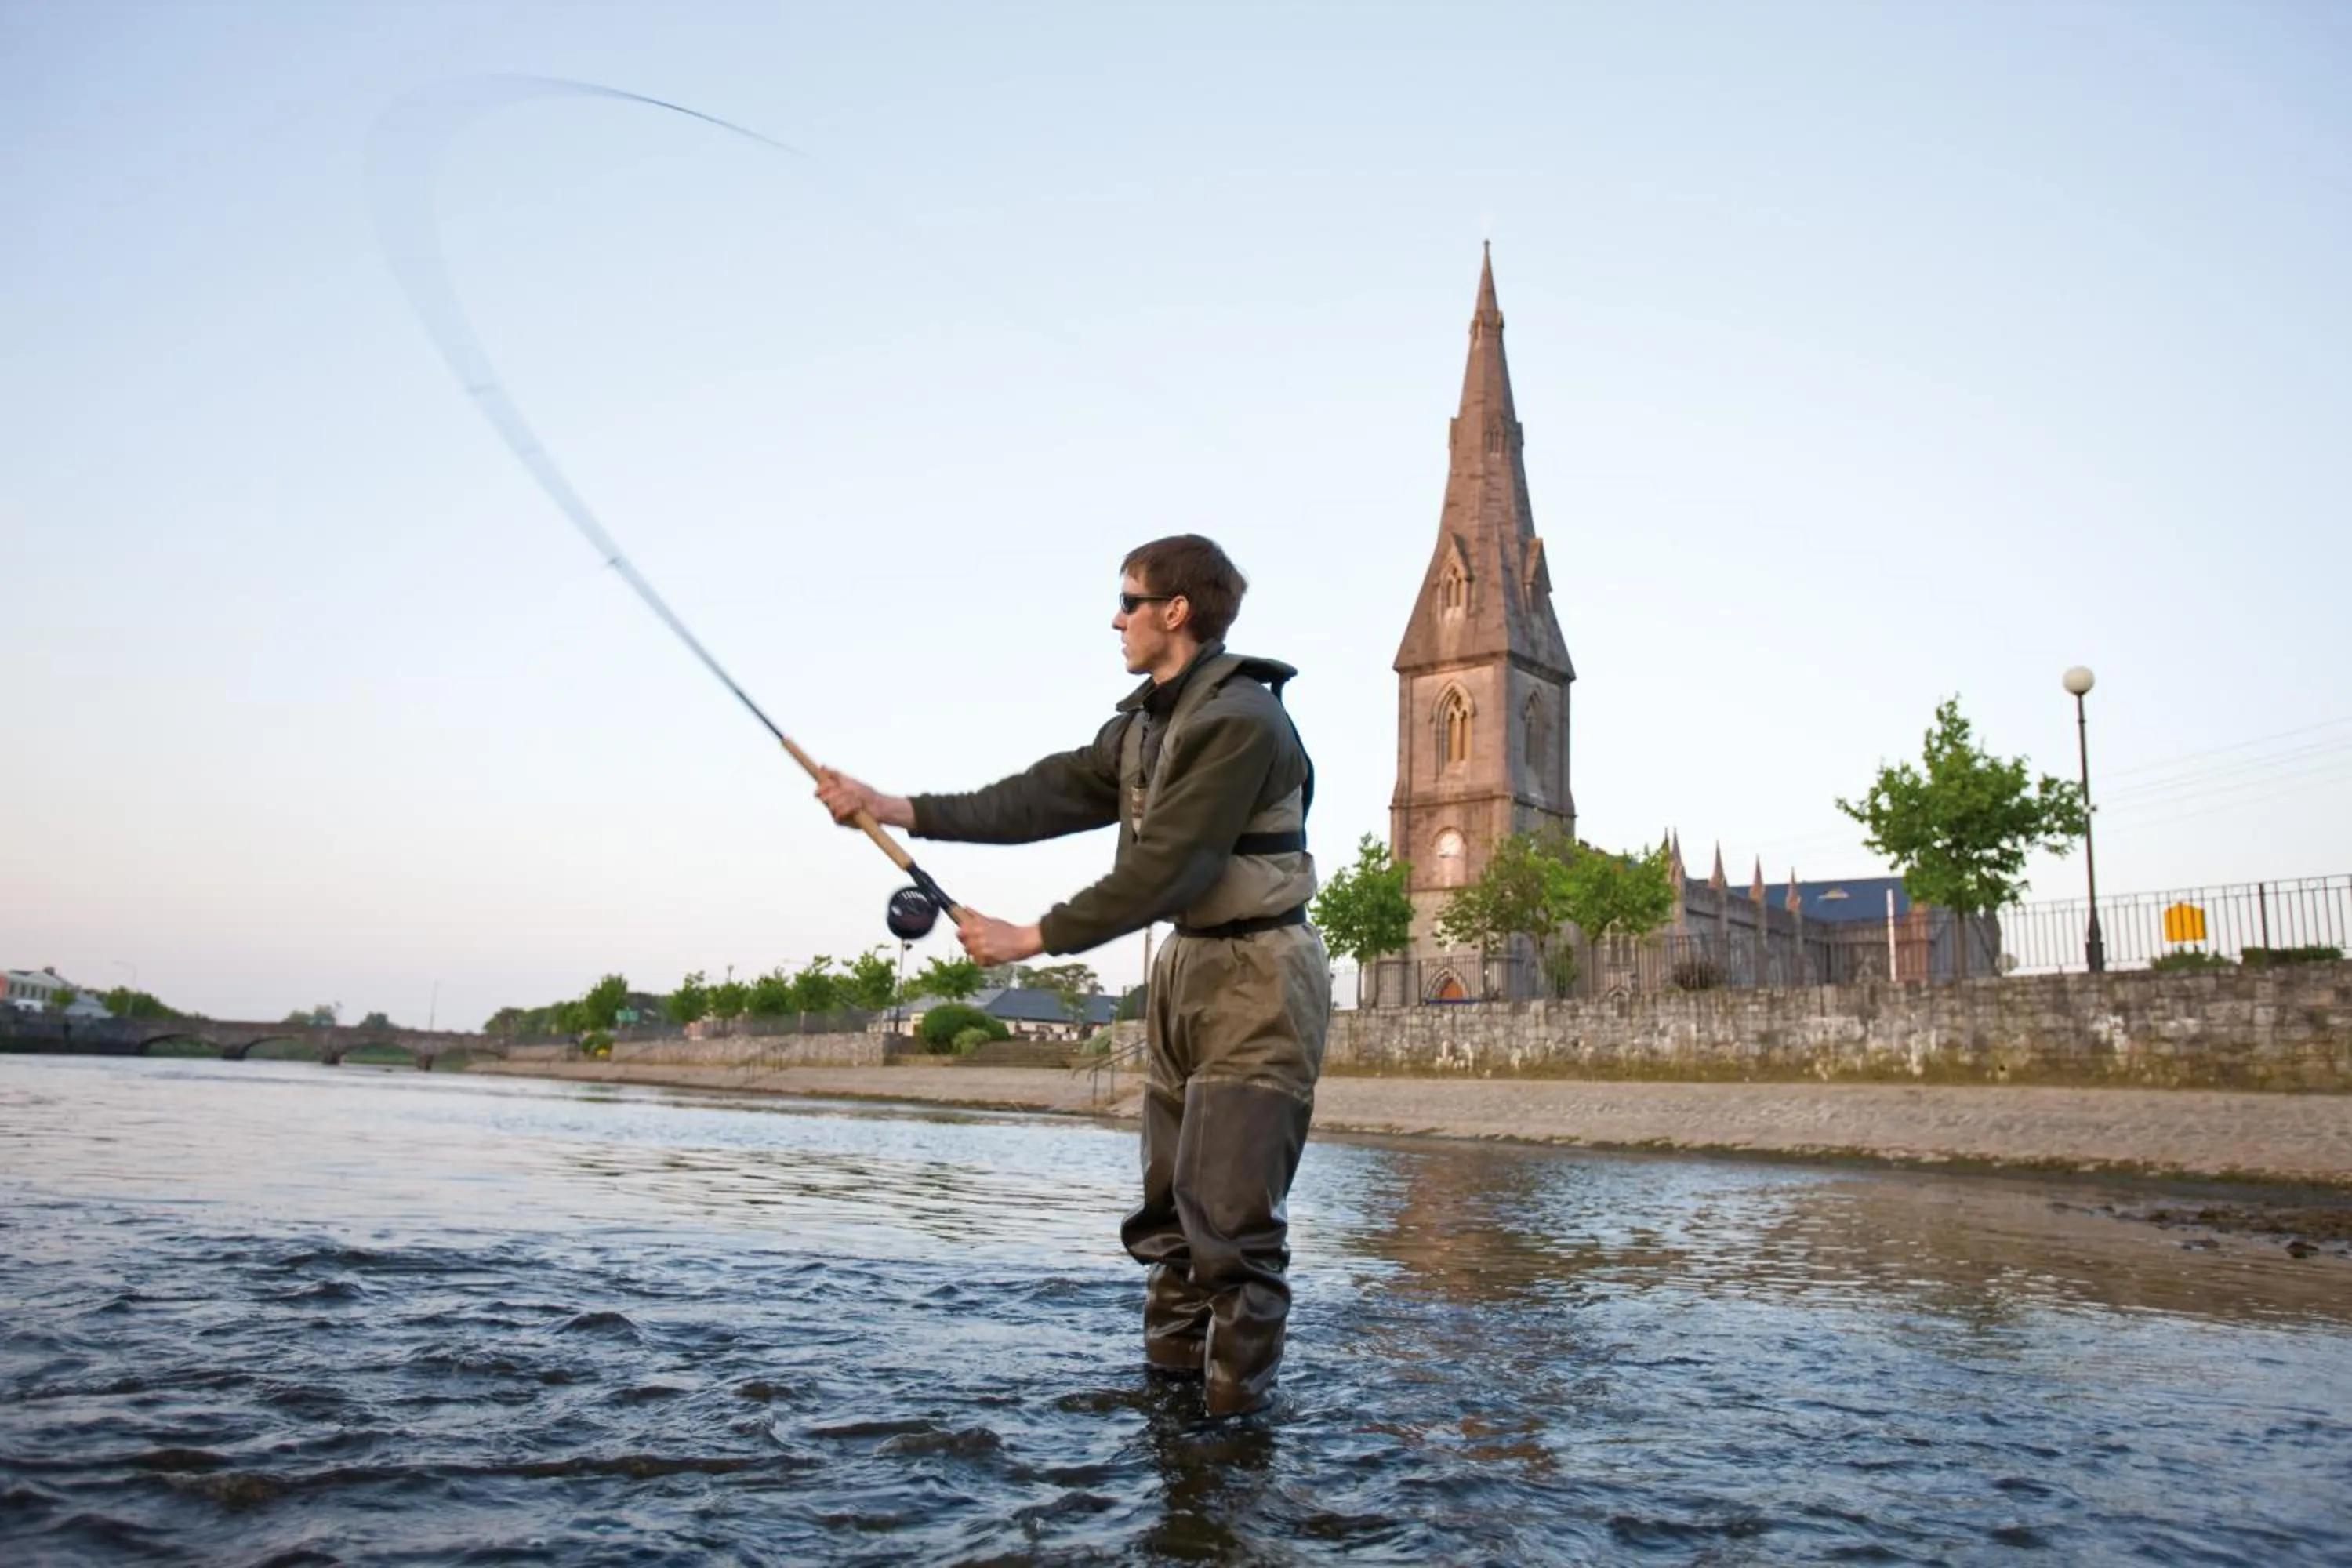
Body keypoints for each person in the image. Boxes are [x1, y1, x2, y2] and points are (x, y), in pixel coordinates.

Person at [815, 534, 1328, 1417]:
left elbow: (1172, 865)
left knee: (1231, 1227)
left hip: (1259, 976)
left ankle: (1235, 1445)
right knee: (1169, 1216)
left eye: (1129, 601)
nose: (1116, 619)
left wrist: (1031, 936)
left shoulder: (1242, 720)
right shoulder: (1146, 724)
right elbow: (1042, 795)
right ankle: (1170, 1410)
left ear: (1176, 610)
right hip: (1184, 967)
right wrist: (893, 807)